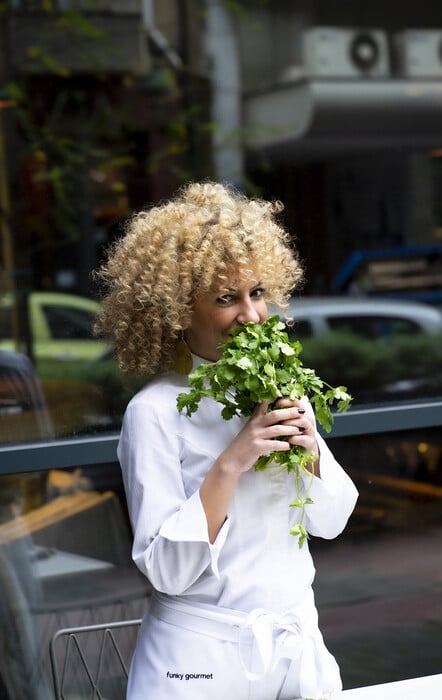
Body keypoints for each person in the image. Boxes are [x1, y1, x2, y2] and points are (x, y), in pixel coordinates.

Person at [93, 181, 358, 700]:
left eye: (257, 292)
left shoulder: (278, 389)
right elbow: (167, 572)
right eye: (225, 298)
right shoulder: (152, 413)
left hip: (295, 652)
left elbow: (332, 521)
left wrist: (309, 453)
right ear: (176, 309)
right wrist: (230, 464)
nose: (252, 314)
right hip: (199, 664)